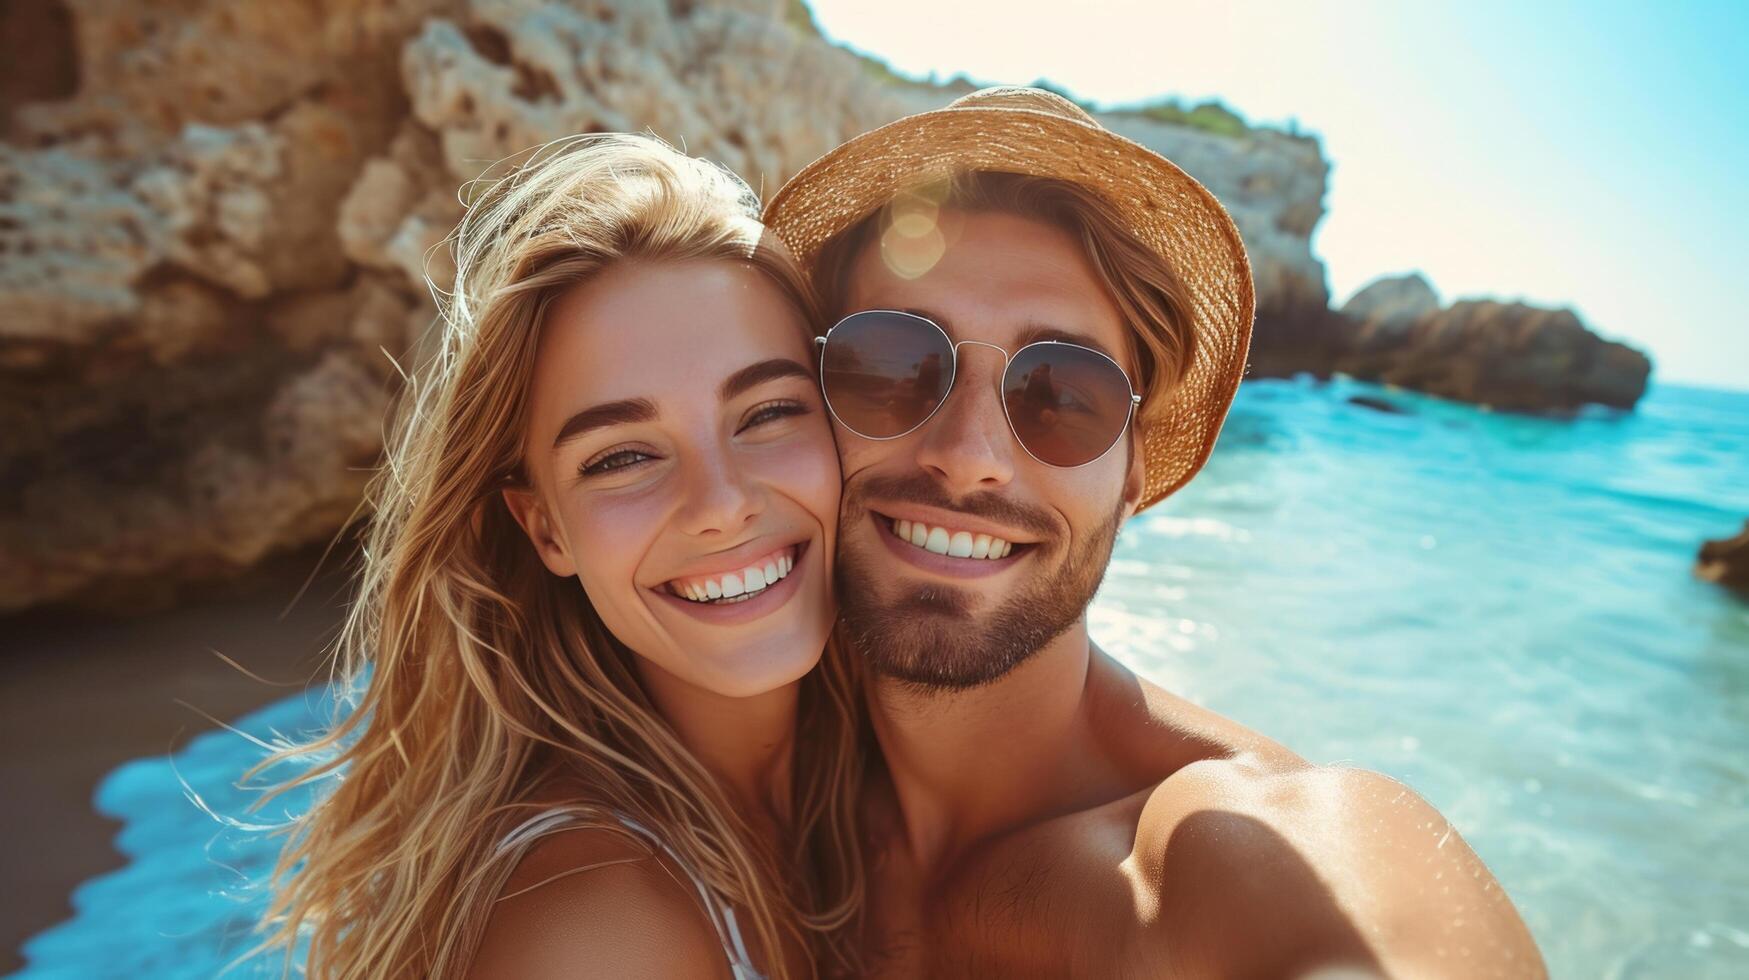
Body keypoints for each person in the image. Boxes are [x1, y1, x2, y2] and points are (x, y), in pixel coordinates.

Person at [764, 86, 1547, 978]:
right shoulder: (732, 759)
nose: (967, 455)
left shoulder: (1211, 839)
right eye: (892, 363)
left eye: (1061, 395)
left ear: (1134, 473)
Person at [240, 134, 866, 980]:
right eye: (621, 457)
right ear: (546, 530)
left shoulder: (859, 795)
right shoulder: (596, 929)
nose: (720, 504)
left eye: (767, 413)